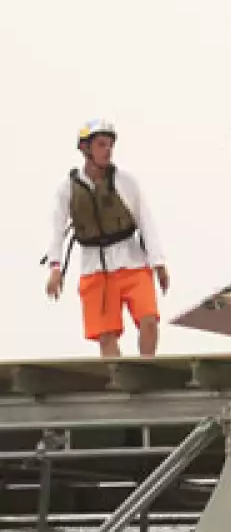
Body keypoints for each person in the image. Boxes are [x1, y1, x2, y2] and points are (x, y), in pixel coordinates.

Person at [42, 119, 170, 358]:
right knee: (106, 334)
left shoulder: (126, 181)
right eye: (101, 144)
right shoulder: (67, 188)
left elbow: (146, 221)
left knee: (149, 319)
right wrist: (55, 268)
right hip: (94, 268)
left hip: (131, 261)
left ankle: (147, 367)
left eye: (110, 145)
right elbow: (57, 230)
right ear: (86, 149)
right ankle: (119, 376)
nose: (107, 150)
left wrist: (158, 262)